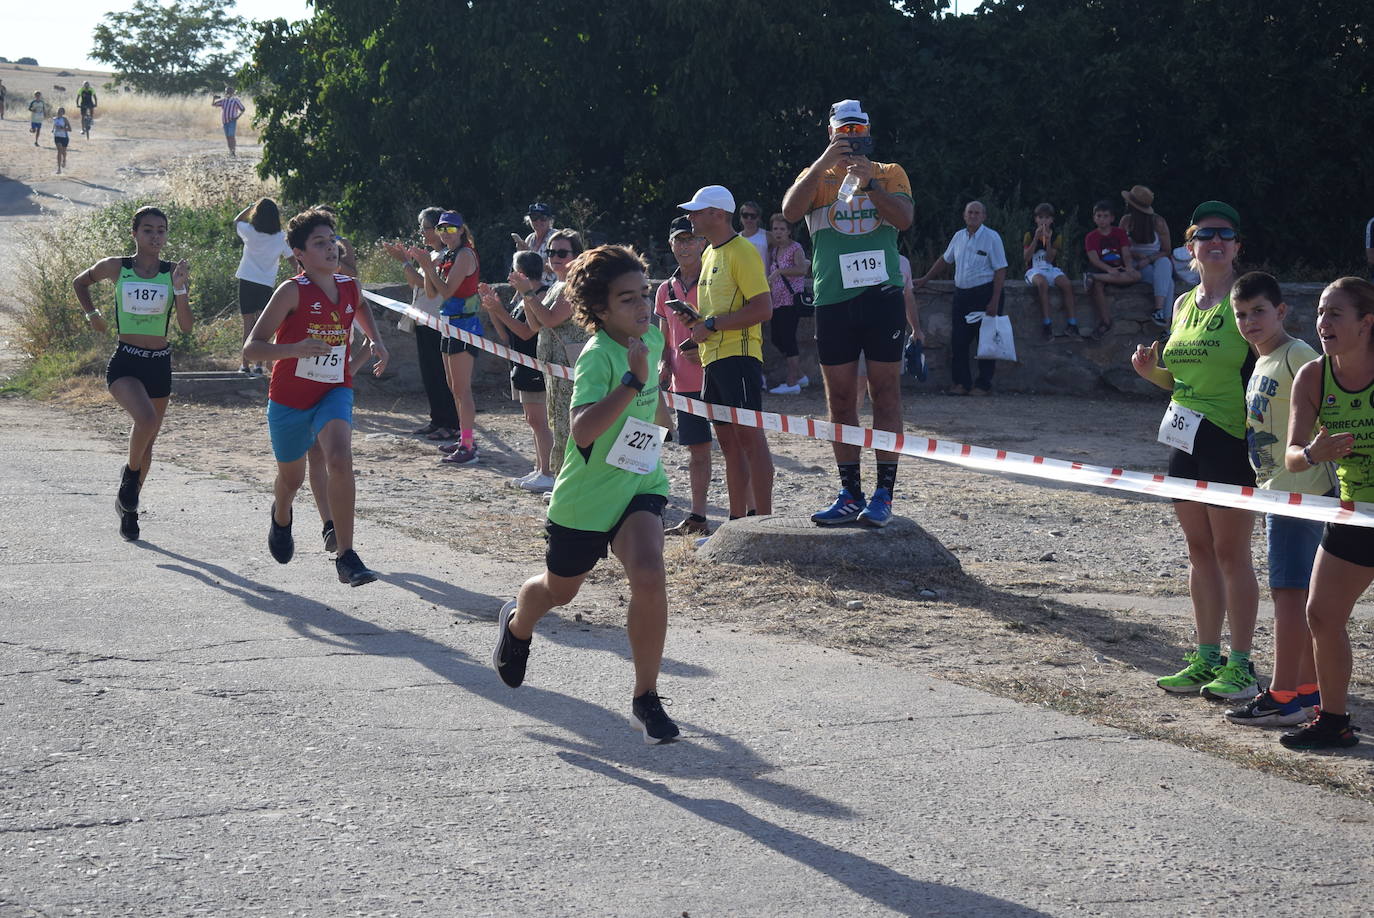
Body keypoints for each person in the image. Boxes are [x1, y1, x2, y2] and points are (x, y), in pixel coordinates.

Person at [491, 245, 680, 744]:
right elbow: (582, 431)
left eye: (645, 294)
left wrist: (661, 412)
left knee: (649, 572)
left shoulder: (653, 337)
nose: (642, 307)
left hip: (640, 481)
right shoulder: (598, 357)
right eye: (627, 300)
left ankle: (646, 696)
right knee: (560, 591)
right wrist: (631, 383)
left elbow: (652, 390)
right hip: (586, 498)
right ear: (598, 309)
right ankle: (517, 624)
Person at [1130, 200, 1259, 701]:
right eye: (1205, 235)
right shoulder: (1184, 305)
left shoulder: (1247, 301)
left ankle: (1242, 664)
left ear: (1237, 247)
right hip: (1183, 436)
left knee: (1232, 552)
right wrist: (1151, 375)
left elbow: (1268, 366)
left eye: (1226, 235)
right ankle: (1207, 656)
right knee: (1199, 551)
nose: (1216, 242)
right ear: (1191, 247)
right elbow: (1180, 380)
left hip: (1230, 437)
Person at [783, 99, 914, 527]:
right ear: (831, 133)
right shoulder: (817, 177)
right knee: (839, 400)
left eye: (857, 131)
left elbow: (905, 219)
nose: (850, 138)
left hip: (882, 298)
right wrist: (823, 163)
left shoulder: (890, 172)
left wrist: (871, 184)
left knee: (886, 394)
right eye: (844, 131)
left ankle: (884, 494)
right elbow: (789, 212)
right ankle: (850, 492)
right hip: (833, 300)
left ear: (869, 133)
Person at [243, 208, 389, 587]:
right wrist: (294, 350)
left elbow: (360, 306)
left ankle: (347, 555)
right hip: (290, 399)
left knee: (338, 456)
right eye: (319, 243)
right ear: (299, 254)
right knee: (290, 480)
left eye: (332, 240)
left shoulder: (349, 285)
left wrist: (375, 339)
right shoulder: (291, 290)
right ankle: (282, 515)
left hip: (333, 389)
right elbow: (251, 349)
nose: (330, 249)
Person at [1224, 272, 1335, 728]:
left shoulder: (1298, 355)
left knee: (1289, 597)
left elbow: (1330, 405)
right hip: (1280, 493)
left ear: (1282, 311)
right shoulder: (1264, 362)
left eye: (1259, 312)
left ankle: (1283, 694)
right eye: (1242, 315)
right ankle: (1306, 690)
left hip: (1301, 494)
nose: (1250, 322)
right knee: (1297, 595)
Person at [1279, 276, 1374, 749]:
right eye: (1319, 312)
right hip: (1355, 512)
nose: (1323, 323)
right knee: (1321, 613)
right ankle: (1334, 721)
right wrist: (1314, 453)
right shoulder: (1313, 376)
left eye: (1335, 313)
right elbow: (1291, 456)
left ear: (1366, 322)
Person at [72, 206, 193, 541]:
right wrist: (92, 314)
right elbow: (79, 282)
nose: (156, 237)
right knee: (147, 421)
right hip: (125, 362)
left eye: (161, 231)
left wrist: (181, 289)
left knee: (148, 441)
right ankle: (129, 478)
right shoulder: (117, 267)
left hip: (159, 363)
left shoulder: (173, 273)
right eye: (148, 230)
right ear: (135, 233)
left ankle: (129, 508)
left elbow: (185, 327)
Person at [680, 184, 775, 520]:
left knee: (751, 442)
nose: (690, 216)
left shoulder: (742, 251)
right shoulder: (709, 253)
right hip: (713, 360)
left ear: (718, 214)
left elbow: (764, 308)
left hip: (740, 358)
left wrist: (713, 325)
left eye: (697, 210)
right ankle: (738, 524)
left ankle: (764, 524)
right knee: (730, 447)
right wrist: (698, 331)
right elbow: (715, 316)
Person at [655, 216, 713, 536]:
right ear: (671, 244)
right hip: (684, 382)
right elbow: (664, 338)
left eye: (690, 239)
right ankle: (698, 517)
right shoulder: (665, 288)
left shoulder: (716, 280)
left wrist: (705, 346)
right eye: (679, 239)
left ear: (702, 242)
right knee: (697, 451)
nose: (685, 245)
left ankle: (745, 515)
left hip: (718, 373)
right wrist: (664, 363)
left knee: (736, 447)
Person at [382, 207, 460, 440]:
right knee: (430, 373)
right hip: (424, 320)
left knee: (441, 373)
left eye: (426, 228)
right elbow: (415, 285)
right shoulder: (431, 255)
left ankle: (451, 423)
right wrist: (408, 263)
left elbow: (427, 285)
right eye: (422, 228)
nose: (423, 233)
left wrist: (405, 262)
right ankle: (437, 420)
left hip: (440, 322)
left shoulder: (448, 256)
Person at [480, 251, 555, 492]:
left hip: (536, 366)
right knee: (532, 420)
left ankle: (548, 472)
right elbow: (507, 335)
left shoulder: (540, 295)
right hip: (520, 366)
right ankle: (539, 468)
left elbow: (526, 332)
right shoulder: (521, 297)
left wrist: (500, 311)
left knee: (540, 421)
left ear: (519, 271)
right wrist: (493, 308)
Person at [411, 211, 481, 465]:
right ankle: (464, 439)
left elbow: (448, 292)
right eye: (442, 229)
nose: (445, 234)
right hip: (448, 324)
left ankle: (469, 445)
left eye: (451, 229)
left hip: (464, 325)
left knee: (462, 389)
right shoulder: (449, 255)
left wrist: (429, 268)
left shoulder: (464, 255)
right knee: (454, 388)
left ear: (462, 230)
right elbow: (431, 293)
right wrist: (427, 268)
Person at [916, 201, 1006, 398]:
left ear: (984, 216)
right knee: (959, 341)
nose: (973, 216)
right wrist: (924, 279)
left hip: (985, 293)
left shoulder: (992, 238)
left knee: (986, 341)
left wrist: (994, 301)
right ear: (965, 216)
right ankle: (961, 383)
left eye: (977, 213)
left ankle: (983, 385)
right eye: (970, 212)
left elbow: (1000, 269)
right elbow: (945, 260)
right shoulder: (958, 237)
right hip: (962, 294)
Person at [519, 228, 589, 477]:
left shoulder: (575, 285)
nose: (555, 257)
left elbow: (549, 319)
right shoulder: (555, 286)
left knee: (569, 428)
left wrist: (527, 292)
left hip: (570, 368)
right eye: (551, 252)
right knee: (557, 424)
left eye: (562, 252)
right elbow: (535, 324)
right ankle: (559, 479)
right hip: (554, 369)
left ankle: (567, 480)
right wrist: (526, 295)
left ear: (577, 255)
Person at [232, 198, 292, 374]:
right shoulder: (281, 237)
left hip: (247, 280)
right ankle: (258, 365)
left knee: (248, 325)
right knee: (262, 327)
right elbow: (292, 260)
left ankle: (244, 365)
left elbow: (237, 221)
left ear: (256, 215)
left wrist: (249, 207)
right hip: (266, 284)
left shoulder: (249, 231)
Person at [765, 214, 811, 394]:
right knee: (777, 338)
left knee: (788, 339)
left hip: (791, 300)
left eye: (782, 229)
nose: (778, 232)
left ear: (789, 231)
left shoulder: (795, 248)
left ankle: (792, 382)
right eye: (775, 229)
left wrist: (780, 272)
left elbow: (802, 269)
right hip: (777, 301)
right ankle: (800, 375)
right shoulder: (775, 250)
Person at [1083, 199, 1140, 339]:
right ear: (1094, 218)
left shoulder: (1119, 233)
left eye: (1105, 216)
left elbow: (1126, 252)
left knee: (1136, 275)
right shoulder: (1091, 237)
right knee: (1097, 287)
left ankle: (1091, 276)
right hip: (1101, 268)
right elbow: (1094, 258)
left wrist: (1128, 267)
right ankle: (1105, 321)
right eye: (1099, 216)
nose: (1102, 219)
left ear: (1112, 218)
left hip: (1118, 267)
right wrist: (1108, 269)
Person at [1119, 185, 1176, 327]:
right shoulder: (1126, 221)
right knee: (1169, 283)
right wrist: (1135, 254)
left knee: (1165, 263)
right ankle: (1166, 326)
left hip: (1154, 260)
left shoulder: (1158, 223)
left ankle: (1159, 311)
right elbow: (1120, 246)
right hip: (1134, 263)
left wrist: (1148, 259)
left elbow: (1166, 250)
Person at [1022, 203, 1079, 340]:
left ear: (1051, 220)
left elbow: (1049, 258)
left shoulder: (1057, 236)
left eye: (1047, 218)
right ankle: (1047, 323)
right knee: (1042, 284)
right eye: (1040, 218)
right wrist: (1036, 239)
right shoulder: (1029, 234)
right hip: (1034, 269)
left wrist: (1047, 241)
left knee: (1066, 284)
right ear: (1036, 219)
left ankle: (1072, 323)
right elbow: (1026, 257)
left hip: (1050, 268)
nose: (1043, 221)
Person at [513, 202, 557, 284]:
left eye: (543, 218)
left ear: (550, 220)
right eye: (534, 217)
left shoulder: (555, 238)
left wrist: (530, 255)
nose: (538, 221)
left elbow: (555, 267)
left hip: (551, 287)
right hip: (533, 287)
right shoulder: (530, 239)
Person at [212, 86, 245, 156]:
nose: (228, 93)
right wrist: (214, 99)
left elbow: (243, 109)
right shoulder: (224, 100)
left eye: (229, 91)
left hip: (232, 121)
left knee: (231, 136)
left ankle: (233, 151)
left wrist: (237, 117)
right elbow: (213, 104)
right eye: (227, 91)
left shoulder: (236, 100)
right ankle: (230, 151)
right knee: (227, 137)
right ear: (225, 92)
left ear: (233, 93)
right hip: (224, 121)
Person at [51, 107, 71, 174]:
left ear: (63, 113)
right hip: (57, 137)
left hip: (64, 137)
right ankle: (59, 168)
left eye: (61, 111)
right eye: (58, 111)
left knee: (63, 152)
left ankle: (64, 160)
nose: (59, 112)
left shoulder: (65, 119)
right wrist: (53, 129)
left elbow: (70, 129)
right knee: (59, 151)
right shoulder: (54, 119)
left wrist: (63, 128)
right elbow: (54, 125)